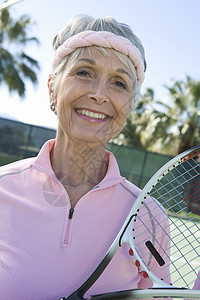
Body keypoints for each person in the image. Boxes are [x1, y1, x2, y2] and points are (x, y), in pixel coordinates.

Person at [0, 14, 170, 300]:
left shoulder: (150, 217)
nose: (99, 94)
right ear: (53, 85)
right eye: (84, 72)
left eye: (119, 83)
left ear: (130, 106)